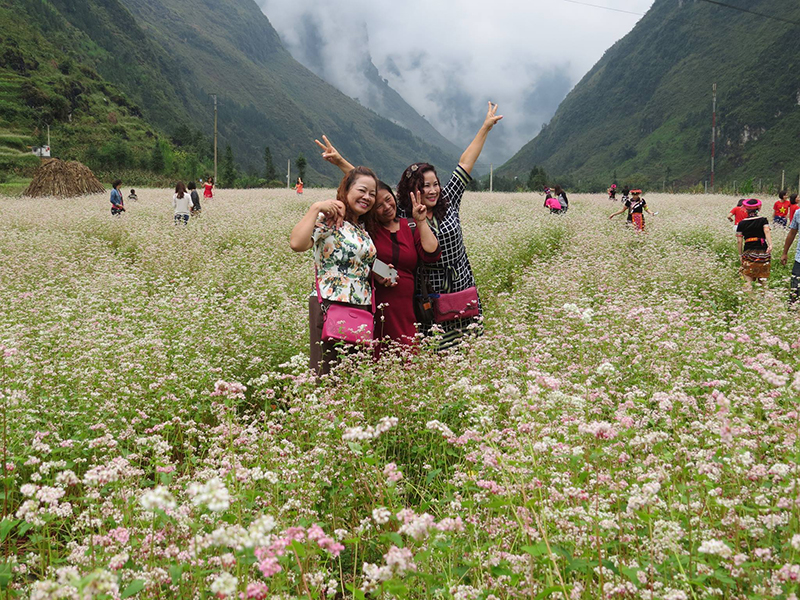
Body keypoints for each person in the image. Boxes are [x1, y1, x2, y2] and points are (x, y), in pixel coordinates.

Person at [315, 101, 503, 349]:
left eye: (435, 184)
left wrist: (486, 127)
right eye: (424, 185)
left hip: (461, 289)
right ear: (412, 189)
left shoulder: (449, 201)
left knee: (468, 347)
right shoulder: (404, 212)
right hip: (428, 299)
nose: (432, 190)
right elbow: (375, 191)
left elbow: (465, 163)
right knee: (435, 354)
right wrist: (341, 163)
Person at [290, 166, 378, 375]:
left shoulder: (362, 228)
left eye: (372, 194)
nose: (367, 197)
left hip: (361, 308)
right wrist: (316, 208)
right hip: (330, 304)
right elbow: (296, 243)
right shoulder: (330, 220)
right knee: (326, 373)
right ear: (346, 190)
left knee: (353, 377)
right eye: (362, 190)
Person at [369, 184, 440, 348]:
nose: (387, 207)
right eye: (379, 205)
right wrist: (376, 272)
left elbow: (432, 254)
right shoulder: (369, 231)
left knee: (408, 354)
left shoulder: (410, 226)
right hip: (378, 306)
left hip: (407, 308)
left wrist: (421, 221)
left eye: (388, 199)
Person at [737, 198, 772, 293]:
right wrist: (770, 244)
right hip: (762, 252)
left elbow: (739, 241)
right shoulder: (763, 220)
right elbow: (767, 231)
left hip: (748, 253)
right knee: (762, 280)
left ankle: (749, 302)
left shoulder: (741, 223)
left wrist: (740, 255)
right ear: (758, 209)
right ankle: (765, 301)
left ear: (746, 209)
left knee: (748, 280)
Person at [780, 201, 800, 304]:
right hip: (799, 259)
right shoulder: (798, 213)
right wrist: (785, 252)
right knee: (795, 289)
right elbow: (792, 233)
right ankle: (792, 311)